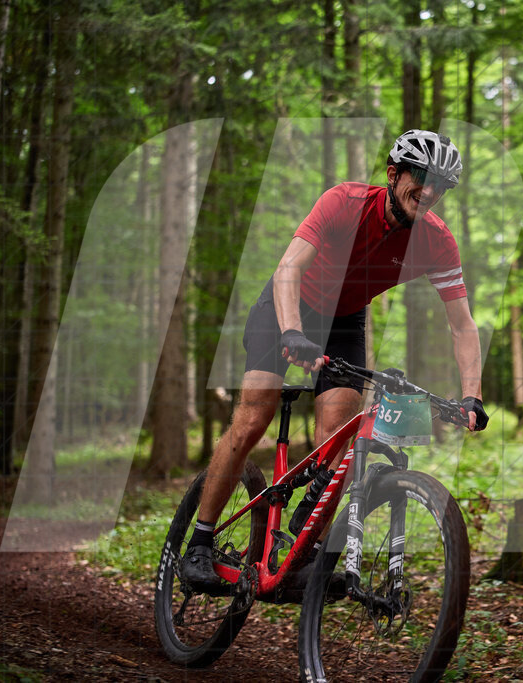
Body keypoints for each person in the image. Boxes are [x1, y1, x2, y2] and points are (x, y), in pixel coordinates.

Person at [182, 130, 489, 592]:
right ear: (393, 174)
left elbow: (463, 325)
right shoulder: (344, 203)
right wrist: (291, 331)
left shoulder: (438, 242)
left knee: (338, 436)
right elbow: (288, 269)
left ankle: (302, 554)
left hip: (345, 319)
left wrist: (472, 397)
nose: (429, 192)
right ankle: (200, 545)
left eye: (441, 185)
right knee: (252, 419)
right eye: (421, 178)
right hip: (287, 305)